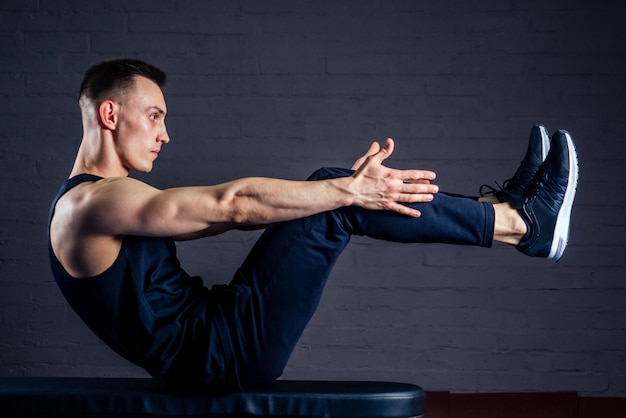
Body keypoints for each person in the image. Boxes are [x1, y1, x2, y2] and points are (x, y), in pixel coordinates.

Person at [48, 59, 578, 392]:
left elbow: (219, 222)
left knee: (329, 195)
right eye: (156, 116)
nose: (165, 134)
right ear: (111, 115)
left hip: (216, 333)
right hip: (220, 354)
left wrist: (334, 193)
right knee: (336, 195)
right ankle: (522, 223)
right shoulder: (88, 207)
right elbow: (231, 205)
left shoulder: (110, 204)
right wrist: (347, 190)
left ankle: (511, 215)